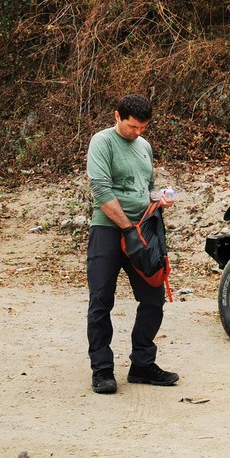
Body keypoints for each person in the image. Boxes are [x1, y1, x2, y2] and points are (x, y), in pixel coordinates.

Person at [86, 94, 179, 394]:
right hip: (108, 230)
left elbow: (145, 188)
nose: (137, 132)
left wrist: (158, 198)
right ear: (117, 116)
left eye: (143, 127)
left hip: (142, 230)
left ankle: (142, 364)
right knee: (101, 299)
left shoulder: (144, 146)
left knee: (153, 298)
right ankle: (102, 370)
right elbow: (101, 191)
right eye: (132, 126)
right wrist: (126, 228)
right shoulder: (102, 142)